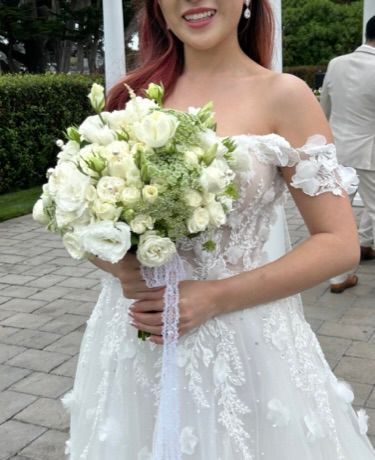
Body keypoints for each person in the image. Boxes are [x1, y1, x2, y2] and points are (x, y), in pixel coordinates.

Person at [63, 1, 375, 459]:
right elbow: (82, 212)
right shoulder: (129, 96)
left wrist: (214, 297)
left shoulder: (284, 95)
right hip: (136, 333)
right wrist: (115, 264)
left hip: (244, 339)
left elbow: (339, 243)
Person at [320, 15, 375, 294]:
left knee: (336, 215)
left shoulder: (336, 64)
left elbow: (324, 107)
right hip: (370, 152)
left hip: (337, 149)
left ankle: (341, 273)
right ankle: (364, 244)